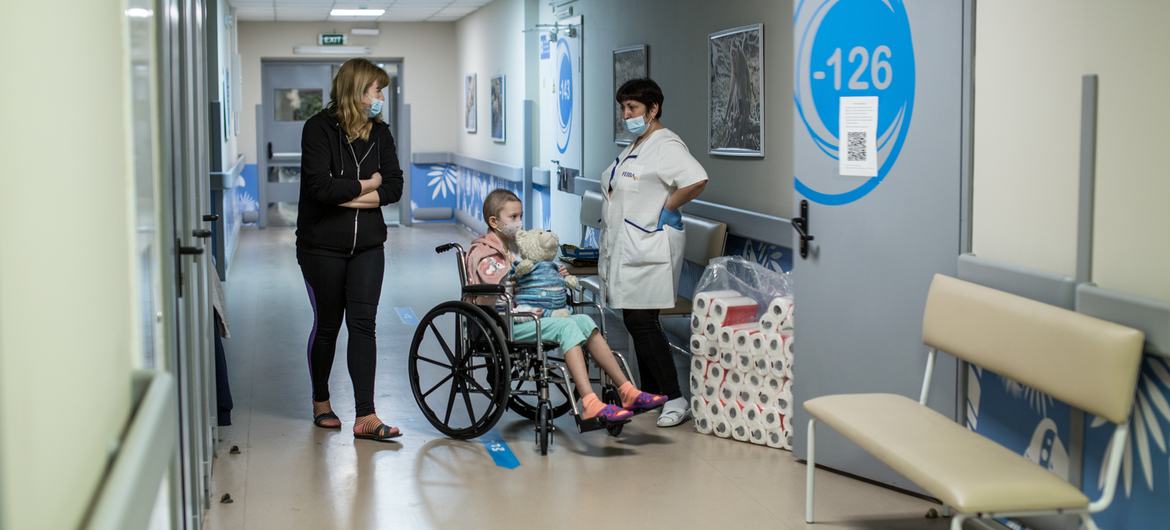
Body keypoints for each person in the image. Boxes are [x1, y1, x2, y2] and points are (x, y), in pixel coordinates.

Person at [466, 189, 668, 425]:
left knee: (584, 322)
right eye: (513, 217)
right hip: (502, 324)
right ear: (494, 222)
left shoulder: (517, 249)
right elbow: (491, 291)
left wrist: (550, 272)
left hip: (532, 317)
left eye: (520, 216)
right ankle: (589, 402)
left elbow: (534, 273)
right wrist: (517, 276)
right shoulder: (483, 251)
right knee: (566, 328)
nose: (519, 223)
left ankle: (626, 391)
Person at [296, 58, 404, 442]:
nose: (380, 99)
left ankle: (366, 415)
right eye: (377, 91)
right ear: (358, 91)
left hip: (369, 247)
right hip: (321, 247)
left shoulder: (381, 134)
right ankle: (321, 401)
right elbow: (319, 190)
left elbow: (393, 187)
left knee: (363, 325)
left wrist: (354, 192)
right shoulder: (318, 130)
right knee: (328, 326)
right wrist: (366, 185)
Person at [599, 78, 708, 427]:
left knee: (642, 320)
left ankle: (676, 398)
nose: (625, 114)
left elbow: (696, 178)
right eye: (623, 108)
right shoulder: (638, 144)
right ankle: (652, 392)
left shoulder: (666, 143)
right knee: (637, 320)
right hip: (633, 244)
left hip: (651, 243)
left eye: (632, 108)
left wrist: (669, 208)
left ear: (653, 108)